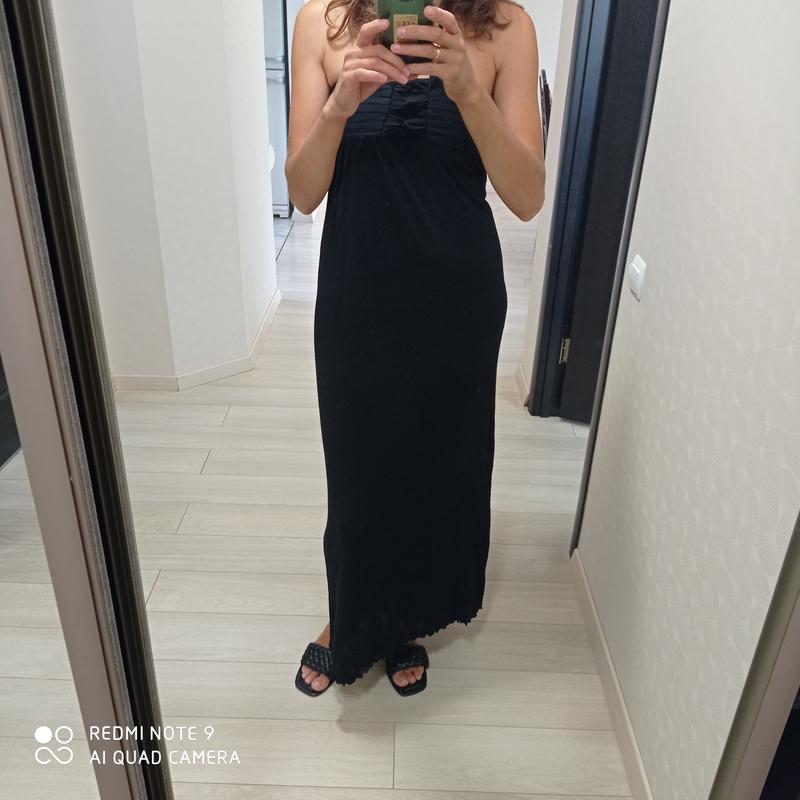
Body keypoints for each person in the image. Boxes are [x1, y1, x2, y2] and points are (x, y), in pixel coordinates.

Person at [286, 0, 545, 696]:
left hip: (456, 299)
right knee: (358, 466)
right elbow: (303, 192)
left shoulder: (507, 28)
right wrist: (339, 107)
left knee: (438, 467)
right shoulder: (320, 21)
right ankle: (352, 616)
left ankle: (406, 618)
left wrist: (467, 90)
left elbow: (527, 196)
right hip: (357, 290)